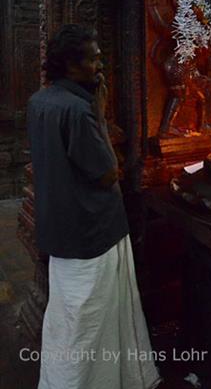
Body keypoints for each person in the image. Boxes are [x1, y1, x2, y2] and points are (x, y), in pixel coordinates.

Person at [27, 25, 161, 389]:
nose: (100, 64)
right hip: (92, 232)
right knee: (91, 321)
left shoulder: (40, 100)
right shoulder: (78, 109)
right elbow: (106, 173)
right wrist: (99, 113)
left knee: (68, 317)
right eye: (94, 58)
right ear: (71, 64)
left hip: (59, 227)